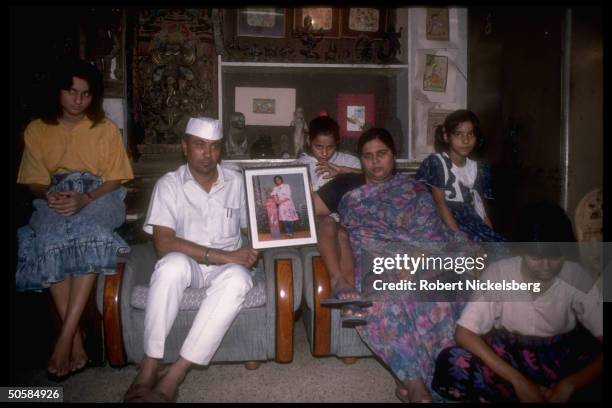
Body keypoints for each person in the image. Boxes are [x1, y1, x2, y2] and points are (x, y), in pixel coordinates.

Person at [314, 128, 476, 402]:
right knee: (382, 299)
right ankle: (413, 382)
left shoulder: (414, 187)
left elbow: (430, 230)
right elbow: (305, 213)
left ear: (394, 155)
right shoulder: (345, 185)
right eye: (367, 156)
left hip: (420, 257)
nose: (375, 162)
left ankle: (447, 375)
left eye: (382, 154)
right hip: (374, 260)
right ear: (360, 160)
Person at [123, 117, 258, 402]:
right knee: (170, 266)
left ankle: (176, 374)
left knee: (238, 279)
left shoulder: (237, 181)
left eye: (214, 147)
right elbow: (164, 243)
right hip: (188, 264)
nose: (207, 154)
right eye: (199, 145)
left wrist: (265, 240)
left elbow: (255, 230)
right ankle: (149, 366)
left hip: (228, 268)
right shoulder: (168, 185)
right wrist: (224, 254)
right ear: (185, 147)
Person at [16, 58, 134, 379]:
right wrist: (49, 196)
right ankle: (76, 338)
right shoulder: (38, 129)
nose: (78, 100)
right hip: (55, 193)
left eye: (85, 94)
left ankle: (64, 337)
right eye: (71, 92)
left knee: (88, 233)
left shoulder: (104, 128)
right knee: (49, 236)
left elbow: (116, 177)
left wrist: (85, 199)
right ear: (58, 92)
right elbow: (34, 179)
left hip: (100, 194)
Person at [431, 201, 603, 402]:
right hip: (511, 358)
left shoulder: (577, 276)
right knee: (453, 362)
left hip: (561, 358)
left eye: (555, 257)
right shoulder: (498, 273)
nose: (546, 266)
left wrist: (570, 384)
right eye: (536, 257)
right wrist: (518, 380)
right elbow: (464, 333)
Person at [295, 113, 363, 318]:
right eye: (318, 146)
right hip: (316, 223)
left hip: (343, 222)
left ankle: (350, 301)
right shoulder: (301, 163)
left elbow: (374, 176)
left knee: (342, 235)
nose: (324, 153)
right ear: (309, 141)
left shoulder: (349, 161)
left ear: (338, 143)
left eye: (330, 147)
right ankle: (338, 281)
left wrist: (342, 171)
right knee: (327, 224)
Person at [416, 109, 505, 242]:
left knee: (502, 248)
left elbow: (480, 209)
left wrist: (491, 234)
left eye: (471, 134)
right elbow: (440, 204)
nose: (466, 140)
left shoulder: (478, 168)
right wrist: (460, 240)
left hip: (472, 223)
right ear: (446, 136)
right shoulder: (437, 163)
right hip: (444, 224)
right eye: (459, 134)